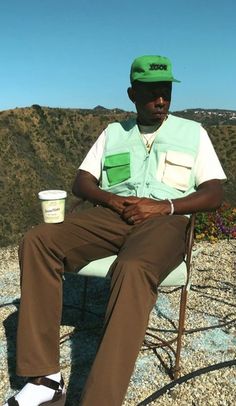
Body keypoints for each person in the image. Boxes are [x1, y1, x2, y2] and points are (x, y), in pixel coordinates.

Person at [4, 55, 226, 406]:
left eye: (166, 91)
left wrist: (164, 206)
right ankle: (45, 380)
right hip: (112, 213)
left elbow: (214, 192)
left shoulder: (193, 133)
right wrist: (111, 200)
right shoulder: (113, 133)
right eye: (151, 92)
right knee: (38, 240)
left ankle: (100, 400)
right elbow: (82, 181)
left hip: (165, 220)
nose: (161, 100)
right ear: (131, 94)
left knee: (133, 267)